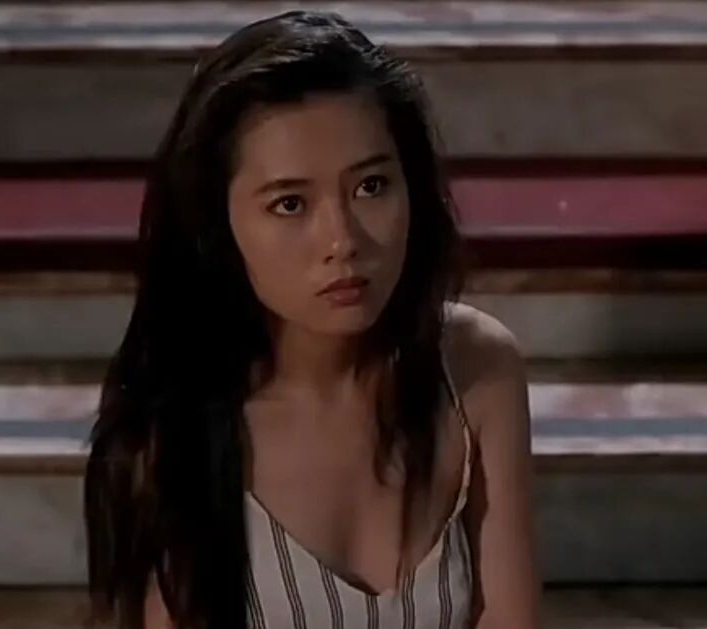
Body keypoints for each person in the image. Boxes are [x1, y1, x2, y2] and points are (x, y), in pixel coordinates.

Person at [83, 11, 540, 629]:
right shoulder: (172, 420)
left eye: (371, 186)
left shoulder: (477, 367)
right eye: (291, 203)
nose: (342, 240)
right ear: (217, 223)